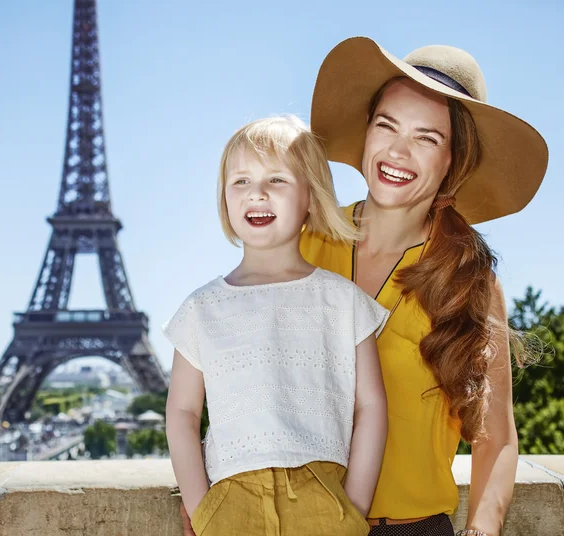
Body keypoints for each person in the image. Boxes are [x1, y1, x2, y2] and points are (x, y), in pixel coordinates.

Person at [298, 38, 548, 536]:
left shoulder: (469, 281)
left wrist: (483, 526)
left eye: (426, 138)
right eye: (386, 125)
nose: (397, 150)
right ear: (366, 134)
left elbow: (494, 437)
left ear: (452, 164)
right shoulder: (303, 244)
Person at [164, 115, 390, 536]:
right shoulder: (200, 309)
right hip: (230, 500)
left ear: (312, 197)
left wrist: (354, 505)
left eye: (277, 180)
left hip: (325, 495)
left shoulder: (343, 300)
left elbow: (371, 405)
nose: (258, 193)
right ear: (225, 199)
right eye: (241, 182)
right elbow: (181, 412)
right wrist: (201, 509)